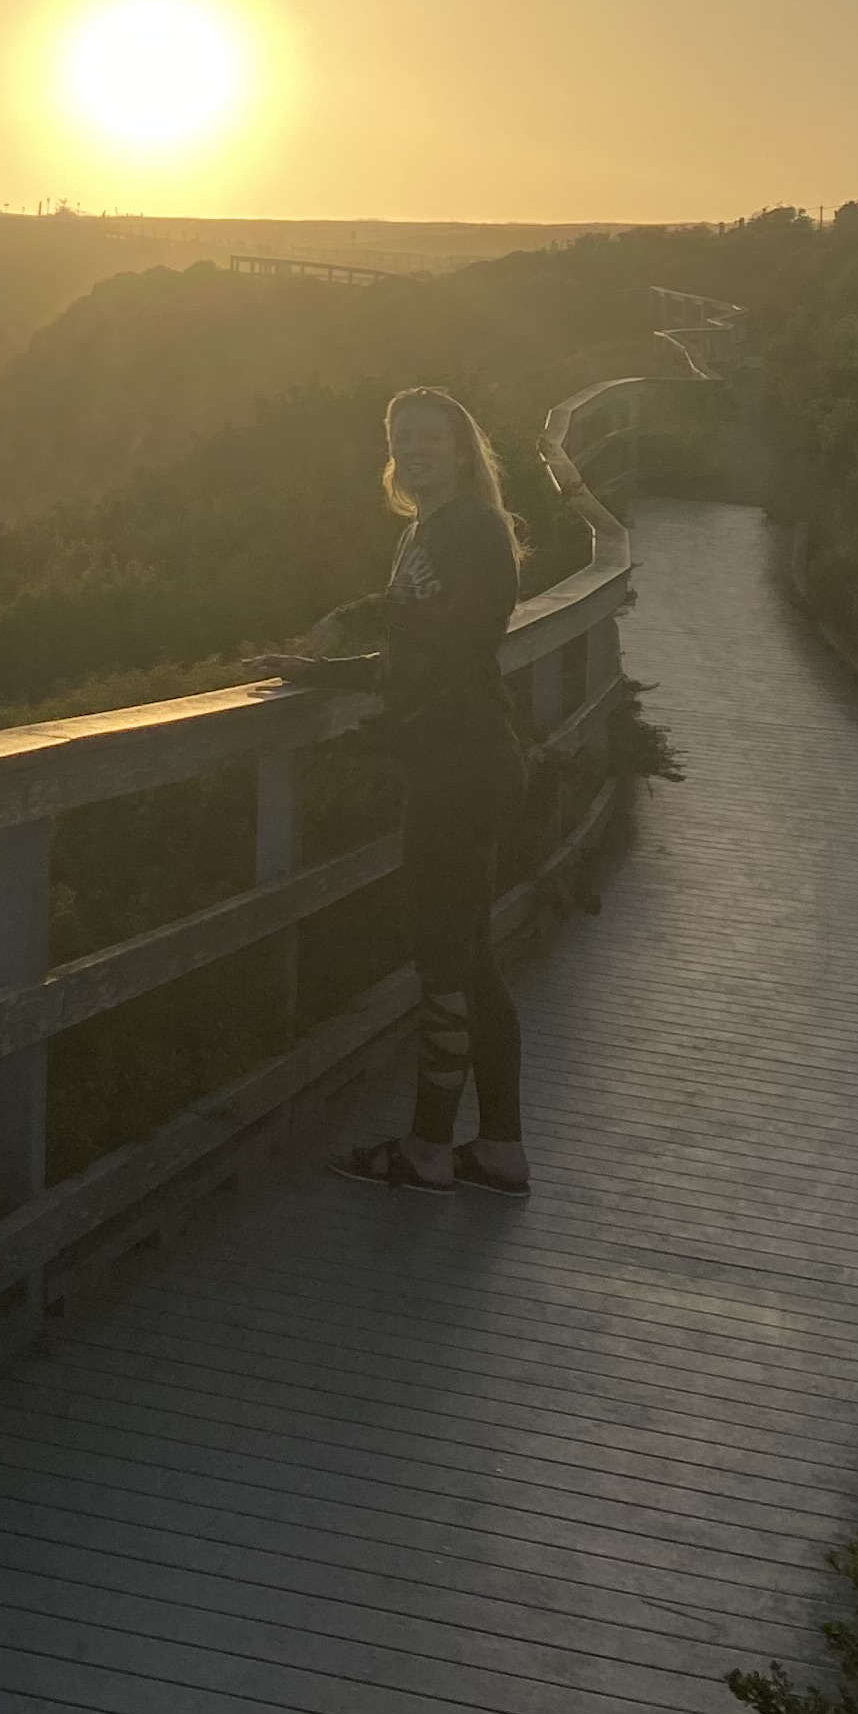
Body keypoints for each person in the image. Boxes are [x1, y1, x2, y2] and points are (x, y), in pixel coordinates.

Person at [273, 386, 532, 1196]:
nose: (414, 448)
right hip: (455, 760)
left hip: (463, 766)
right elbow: (406, 662)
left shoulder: (475, 529)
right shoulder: (424, 531)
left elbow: (463, 632)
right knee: (471, 961)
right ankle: (499, 1149)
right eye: (402, 436)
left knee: (441, 961)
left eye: (430, 436)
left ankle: (427, 1151)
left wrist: (357, 609)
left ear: (461, 449)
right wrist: (315, 671)